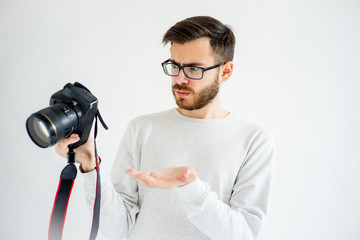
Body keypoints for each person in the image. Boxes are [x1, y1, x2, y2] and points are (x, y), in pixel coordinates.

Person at [55, 16, 274, 240]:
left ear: (225, 71)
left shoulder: (252, 139)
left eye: (193, 69)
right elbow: (118, 229)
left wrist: (191, 189)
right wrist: (90, 167)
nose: (180, 79)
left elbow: (244, 234)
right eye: (175, 66)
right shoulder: (141, 129)